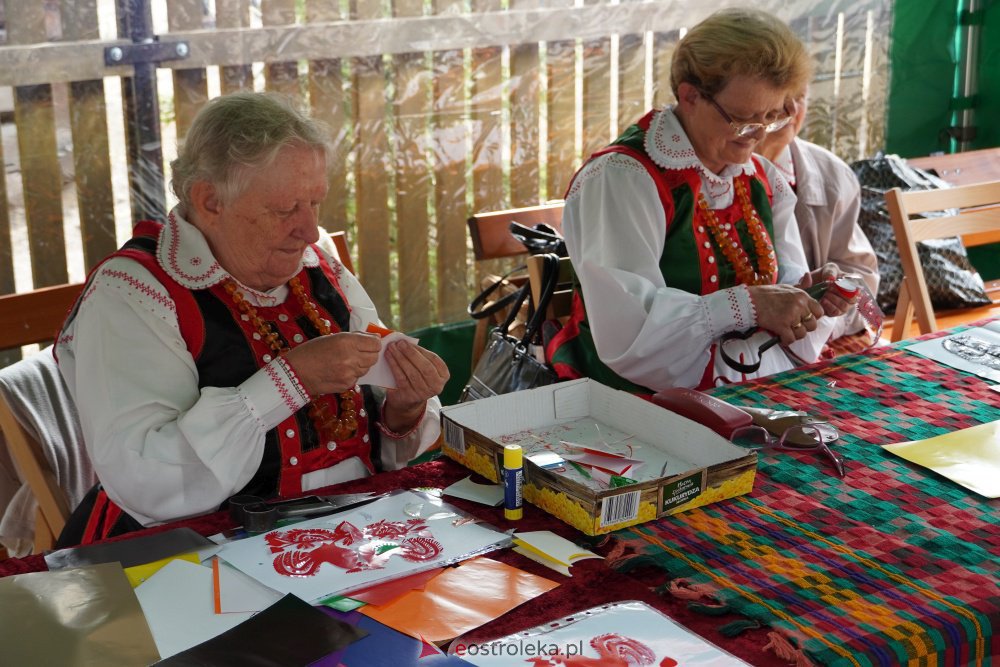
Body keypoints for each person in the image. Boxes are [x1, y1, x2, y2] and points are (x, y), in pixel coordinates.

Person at [55, 91, 449, 545]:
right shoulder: (135, 293)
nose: (309, 229)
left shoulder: (320, 270)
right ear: (209, 201)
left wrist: (404, 408)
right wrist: (290, 380)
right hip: (188, 560)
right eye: (285, 210)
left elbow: (371, 438)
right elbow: (149, 482)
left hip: (345, 536)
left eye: (315, 203)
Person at [547, 8, 857, 392]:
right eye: (742, 120)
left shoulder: (761, 177)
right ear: (689, 96)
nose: (757, 136)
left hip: (758, 383)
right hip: (642, 403)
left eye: (771, 118)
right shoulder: (622, 179)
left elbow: (786, 276)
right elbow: (629, 334)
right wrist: (750, 305)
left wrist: (808, 294)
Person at [756, 91, 879, 342]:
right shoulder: (709, 177)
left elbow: (864, 286)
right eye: (779, 94)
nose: (790, 109)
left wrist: (829, 312)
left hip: (816, 343)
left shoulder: (832, 175)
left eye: (800, 96)